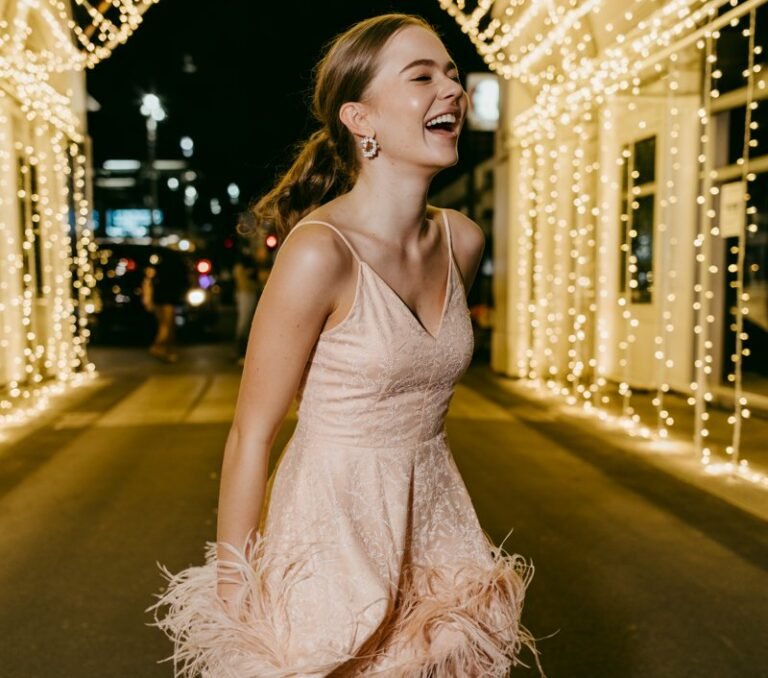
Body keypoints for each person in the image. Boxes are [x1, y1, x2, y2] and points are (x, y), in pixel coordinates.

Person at [148, 13, 545, 677]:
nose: (451, 89)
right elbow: (251, 434)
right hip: (330, 533)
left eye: (452, 73)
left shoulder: (463, 240)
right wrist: (232, 601)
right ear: (361, 120)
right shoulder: (318, 254)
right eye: (421, 76)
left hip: (436, 528)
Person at [141, 248, 188, 363]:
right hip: (164, 298)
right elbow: (148, 282)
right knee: (166, 324)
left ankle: (165, 350)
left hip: (163, 297)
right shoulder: (161, 265)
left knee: (167, 325)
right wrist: (147, 298)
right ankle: (158, 347)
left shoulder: (159, 263)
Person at [232, 242, 261, 365]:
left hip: (250, 292)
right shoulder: (243, 260)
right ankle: (240, 353)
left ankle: (244, 354)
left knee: (249, 324)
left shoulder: (254, 261)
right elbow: (241, 279)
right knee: (243, 324)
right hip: (246, 292)